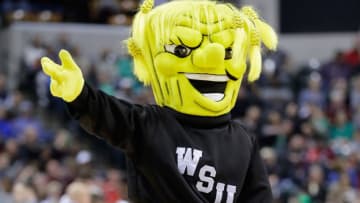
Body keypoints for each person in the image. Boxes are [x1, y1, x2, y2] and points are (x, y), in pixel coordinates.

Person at [40, 0, 277, 202]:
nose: (212, 58)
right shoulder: (151, 124)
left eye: (228, 52)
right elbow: (106, 115)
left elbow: (259, 197)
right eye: (183, 50)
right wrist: (79, 93)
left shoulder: (243, 139)